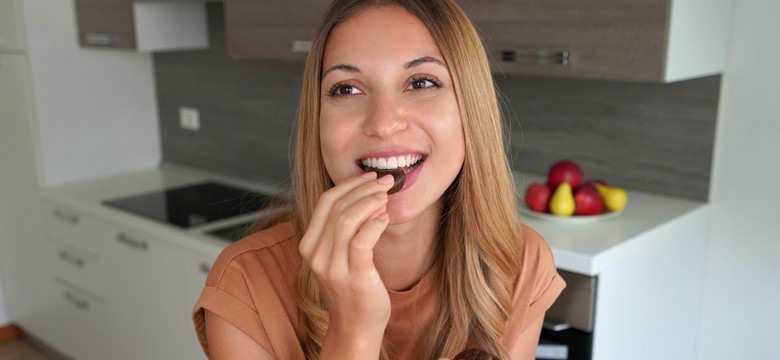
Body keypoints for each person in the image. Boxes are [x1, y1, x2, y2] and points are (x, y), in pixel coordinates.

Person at [192, 0, 565, 359]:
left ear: (471, 107)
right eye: (347, 88)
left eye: (421, 83)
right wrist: (355, 329)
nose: (384, 124)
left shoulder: (520, 263)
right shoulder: (245, 285)